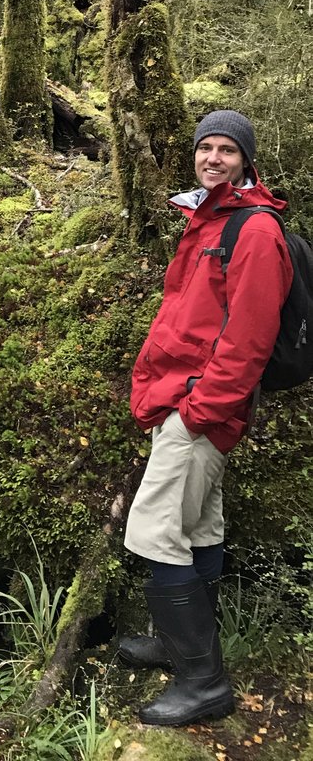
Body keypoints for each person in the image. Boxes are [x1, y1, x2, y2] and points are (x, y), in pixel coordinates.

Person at [120, 110, 292, 727]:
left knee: (154, 530)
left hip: (201, 408)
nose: (213, 158)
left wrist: (198, 412)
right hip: (185, 398)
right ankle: (178, 645)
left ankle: (203, 681)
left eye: (226, 150)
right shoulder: (209, 219)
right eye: (205, 148)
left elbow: (247, 339)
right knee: (197, 527)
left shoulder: (255, 232)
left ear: (246, 160)